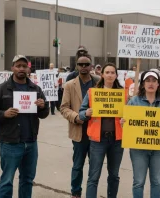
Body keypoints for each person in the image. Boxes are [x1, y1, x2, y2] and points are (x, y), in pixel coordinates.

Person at [0, 55, 49, 198]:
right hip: (10, 143)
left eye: (24, 66)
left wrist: (43, 106)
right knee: (7, 181)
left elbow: (44, 114)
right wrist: (4, 114)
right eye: (18, 66)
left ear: (28, 68)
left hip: (31, 142)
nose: (21, 69)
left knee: (27, 180)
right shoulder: (1, 89)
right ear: (12, 68)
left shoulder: (35, 89)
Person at [121, 71, 160, 198]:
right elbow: (128, 123)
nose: (151, 83)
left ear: (158, 84)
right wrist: (123, 122)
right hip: (138, 150)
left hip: (158, 150)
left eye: (154, 80)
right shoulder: (134, 102)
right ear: (143, 84)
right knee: (138, 182)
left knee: (157, 182)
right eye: (147, 80)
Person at [78, 63, 124, 198]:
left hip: (117, 140)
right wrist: (86, 113)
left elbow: (131, 114)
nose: (110, 75)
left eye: (112, 72)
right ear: (102, 75)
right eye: (107, 72)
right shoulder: (93, 93)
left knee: (114, 175)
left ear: (116, 75)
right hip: (98, 140)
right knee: (94, 175)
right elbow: (81, 113)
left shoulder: (123, 94)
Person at [60, 54, 99, 198]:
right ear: (76, 66)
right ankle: (75, 192)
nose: (83, 67)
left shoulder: (98, 83)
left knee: (94, 167)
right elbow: (64, 108)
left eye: (86, 64)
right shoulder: (70, 85)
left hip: (96, 131)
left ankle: (90, 192)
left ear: (91, 66)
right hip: (79, 131)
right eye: (80, 64)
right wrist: (77, 117)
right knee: (78, 165)